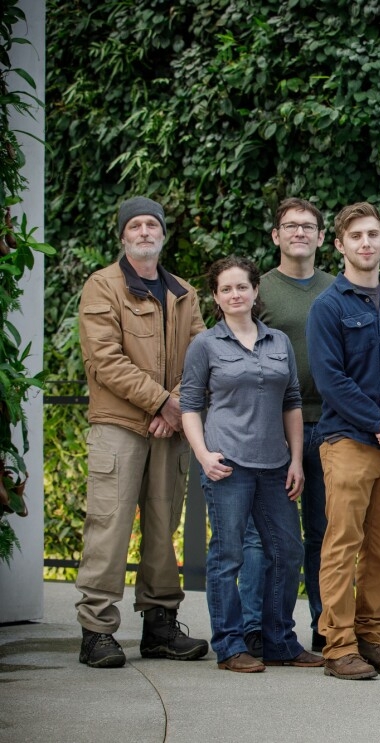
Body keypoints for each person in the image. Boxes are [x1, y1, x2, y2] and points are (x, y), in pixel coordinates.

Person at [75, 196, 209, 668]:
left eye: (153, 224)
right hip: (119, 425)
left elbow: (200, 356)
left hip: (167, 429)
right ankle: (96, 630)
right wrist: (163, 401)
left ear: (163, 234)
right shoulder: (102, 287)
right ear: (123, 235)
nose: (145, 231)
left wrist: (174, 407)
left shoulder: (183, 292)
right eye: (135, 225)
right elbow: (104, 360)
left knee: (162, 527)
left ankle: (159, 626)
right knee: (109, 527)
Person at [180, 256, 322, 673]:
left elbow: (292, 402)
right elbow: (190, 405)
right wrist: (204, 455)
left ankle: (279, 641)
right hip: (228, 464)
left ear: (255, 291)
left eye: (241, 287)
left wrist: (296, 460)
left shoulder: (278, 341)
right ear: (216, 297)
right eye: (226, 289)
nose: (235, 295)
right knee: (228, 557)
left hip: (275, 464)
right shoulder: (206, 344)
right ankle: (230, 645)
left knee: (288, 550)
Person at [308, 201, 380, 680]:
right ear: (339, 245)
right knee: (342, 544)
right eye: (356, 236)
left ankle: (372, 639)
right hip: (349, 444)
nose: (366, 243)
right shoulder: (328, 306)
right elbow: (330, 380)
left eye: (374, 235)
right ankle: (337, 646)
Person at [240, 197, 334, 657]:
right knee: (266, 536)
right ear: (276, 236)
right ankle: (256, 628)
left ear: (321, 237)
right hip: (273, 432)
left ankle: (326, 626)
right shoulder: (257, 293)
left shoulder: (338, 289)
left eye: (308, 226)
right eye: (289, 226)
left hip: (333, 428)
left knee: (326, 533)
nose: (299, 232)